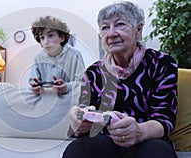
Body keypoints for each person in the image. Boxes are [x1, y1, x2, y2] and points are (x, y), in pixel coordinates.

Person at [63, 1, 178, 158]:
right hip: (104, 140)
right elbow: (85, 112)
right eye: (105, 27)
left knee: (157, 152)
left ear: (138, 29)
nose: (111, 34)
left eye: (120, 24)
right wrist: (78, 122)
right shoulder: (94, 72)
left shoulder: (161, 64)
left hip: (147, 139)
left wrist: (139, 131)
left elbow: (165, 119)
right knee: (77, 150)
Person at [29, 16, 85, 95]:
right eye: (42, 37)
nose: (46, 41)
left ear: (61, 38)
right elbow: (32, 82)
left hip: (69, 97)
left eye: (50, 35)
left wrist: (67, 87)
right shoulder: (38, 58)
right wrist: (35, 87)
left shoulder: (75, 54)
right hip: (46, 97)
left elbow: (82, 82)